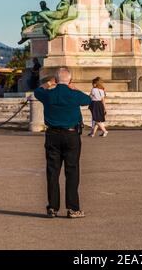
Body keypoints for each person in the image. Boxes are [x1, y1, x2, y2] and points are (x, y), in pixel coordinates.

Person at [34, 67, 91, 219]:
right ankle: (73, 208)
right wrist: (74, 88)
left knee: (53, 172)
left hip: (52, 135)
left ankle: (52, 207)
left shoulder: (48, 94)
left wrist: (48, 83)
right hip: (71, 135)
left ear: (56, 80)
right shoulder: (73, 94)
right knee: (72, 171)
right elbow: (88, 100)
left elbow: (37, 92)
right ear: (70, 80)